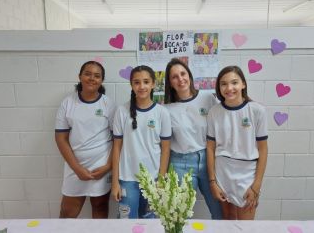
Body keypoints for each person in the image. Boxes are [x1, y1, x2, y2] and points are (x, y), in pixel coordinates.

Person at [55, 61, 116, 218]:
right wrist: (77, 169)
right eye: (87, 74)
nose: (92, 78)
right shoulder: (67, 103)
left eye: (97, 76)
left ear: (101, 80)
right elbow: (61, 138)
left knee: (100, 207)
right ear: (80, 76)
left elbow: (117, 139)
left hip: (101, 167)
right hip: (74, 167)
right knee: (67, 213)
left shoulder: (108, 104)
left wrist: (108, 166)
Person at [206, 65, 268, 220]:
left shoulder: (257, 111)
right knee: (227, 222)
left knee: (245, 226)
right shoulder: (214, 112)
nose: (229, 88)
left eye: (234, 82)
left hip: (247, 174)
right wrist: (213, 181)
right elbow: (210, 148)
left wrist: (256, 185)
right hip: (222, 173)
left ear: (243, 84)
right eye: (224, 84)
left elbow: (263, 149)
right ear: (219, 88)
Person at [163, 58, 222, 219]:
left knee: (220, 212)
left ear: (189, 75)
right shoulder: (166, 110)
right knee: (180, 217)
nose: (180, 79)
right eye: (174, 76)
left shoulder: (208, 98)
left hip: (208, 160)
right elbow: (164, 145)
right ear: (170, 82)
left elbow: (228, 112)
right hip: (180, 163)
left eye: (183, 73)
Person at [111, 65, 171, 219]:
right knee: (126, 223)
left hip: (153, 179)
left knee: (151, 223)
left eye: (146, 81)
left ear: (153, 84)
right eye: (137, 82)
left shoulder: (162, 113)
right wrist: (115, 183)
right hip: (127, 179)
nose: (141, 86)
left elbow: (166, 149)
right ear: (131, 85)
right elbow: (116, 148)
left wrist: (161, 179)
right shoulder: (121, 111)